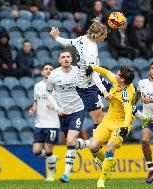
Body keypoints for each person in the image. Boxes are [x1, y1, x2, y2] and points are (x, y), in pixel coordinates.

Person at [49, 19, 111, 136]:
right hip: (86, 86)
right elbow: (92, 72)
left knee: (118, 91)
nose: (105, 37)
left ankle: (133, 115)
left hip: (92, 80)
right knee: (98, 118)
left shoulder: (83, 38)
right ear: (98, 34)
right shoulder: (90, 50)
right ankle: (96, 144)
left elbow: (69, 42)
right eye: (105, 35)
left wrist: (57, 37)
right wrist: (103, 91)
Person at [85, 64, 136, 188]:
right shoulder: (117, 81)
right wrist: (92, 67)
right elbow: (106, 72)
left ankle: (102, 179)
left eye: (118, 74)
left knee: (110, 147)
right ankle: (108, 163)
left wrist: (124, 126)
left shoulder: (126, 93)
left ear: (122, 79)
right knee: (93, 147)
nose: (116, 74)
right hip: (108, 121)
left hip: (121, 124)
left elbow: (128, 110)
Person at [46, 48, 89, 183]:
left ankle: (66, 174)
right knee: (72, 143)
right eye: (63, 57)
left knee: (70, 141)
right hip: (63, 113)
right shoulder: (54, 75)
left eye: (68, 57)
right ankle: (88, 143)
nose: (65, 59)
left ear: (72, 59)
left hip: (78, 110)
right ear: (59, 60)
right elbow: (48, 92)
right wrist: (57, 108)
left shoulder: (79, 72)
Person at [28, 63, 59, 181]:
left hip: (52, 123)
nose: (48, 70)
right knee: (36, 151)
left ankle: (51, 175)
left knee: (48, 148)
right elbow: (35, 102)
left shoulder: (57, 86)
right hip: (39, 124)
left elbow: (63, 103)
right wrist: (33, 109)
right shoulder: (37, 86)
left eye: (51, 69)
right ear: (42, 72)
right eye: (46, 69)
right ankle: (51, 158)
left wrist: (55, 106)